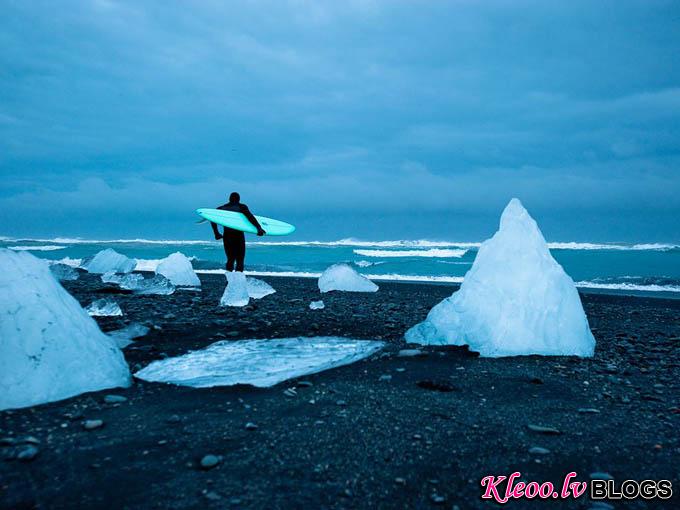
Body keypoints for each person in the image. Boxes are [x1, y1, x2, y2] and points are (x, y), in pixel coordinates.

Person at [211, 192, 265, 272]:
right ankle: (238, 282)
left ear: (229, 199)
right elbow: (250, 217)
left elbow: (212, 219)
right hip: (238, 235)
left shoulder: (221, 208)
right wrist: (259, 228)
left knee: (230, 259)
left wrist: (216, 233)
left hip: (227, 236)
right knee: (240, 260)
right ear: (239, 200)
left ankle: (229, 281)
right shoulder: (241, 207)